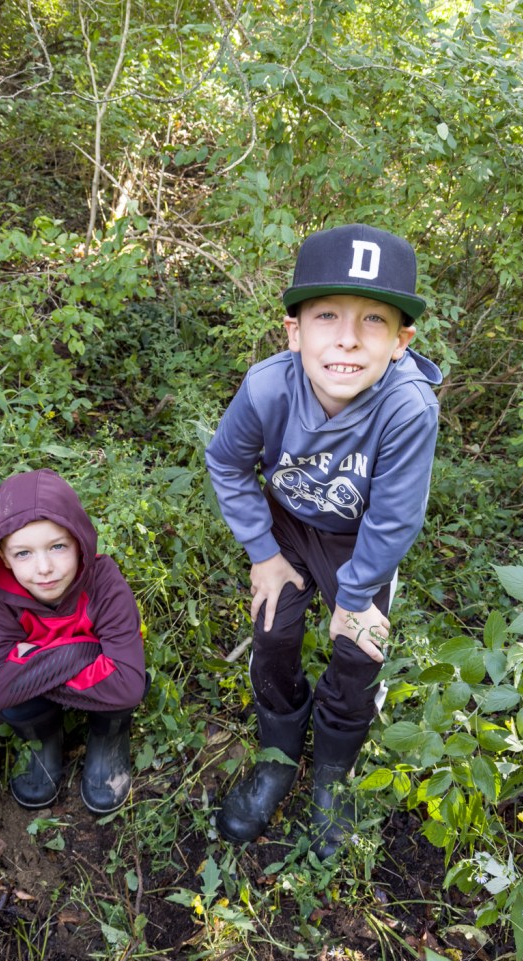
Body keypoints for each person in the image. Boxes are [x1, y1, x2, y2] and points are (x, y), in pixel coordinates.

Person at [205, 223, 442, 858]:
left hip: (358, 541)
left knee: (360, 651)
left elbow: (394, 517)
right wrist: (263, 554)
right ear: (295, 332)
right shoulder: (267, 386)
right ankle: (278, 754)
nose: (347, 337)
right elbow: (227, 462)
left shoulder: (408, 407)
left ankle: (333, 770)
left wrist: (356, 597)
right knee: (272, 630)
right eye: (327, 315)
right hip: (285, 522)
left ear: (401, 342)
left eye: (373, 320)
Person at [0, 468, 147, 813]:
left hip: (89, 691)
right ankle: (44, 741)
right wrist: (89, 654)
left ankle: (108, 737)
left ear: (79, 542)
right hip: (93, 678)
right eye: (23, 553)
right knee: (13, 703)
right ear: (3, 558)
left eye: (57, 547)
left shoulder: (105, 585)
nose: (44, 568)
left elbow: (128, 685)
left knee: (123, 694)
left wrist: (30, 664)